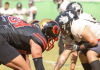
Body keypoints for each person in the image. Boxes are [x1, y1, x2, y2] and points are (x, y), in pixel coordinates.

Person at [66, 2, 100, 70]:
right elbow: (75, 47)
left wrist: (80, 47)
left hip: (97, 39)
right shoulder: (82, 17)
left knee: (90, 54)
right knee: (82, 55)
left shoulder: (79, 21)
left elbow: (93, 41)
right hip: (96, 39)